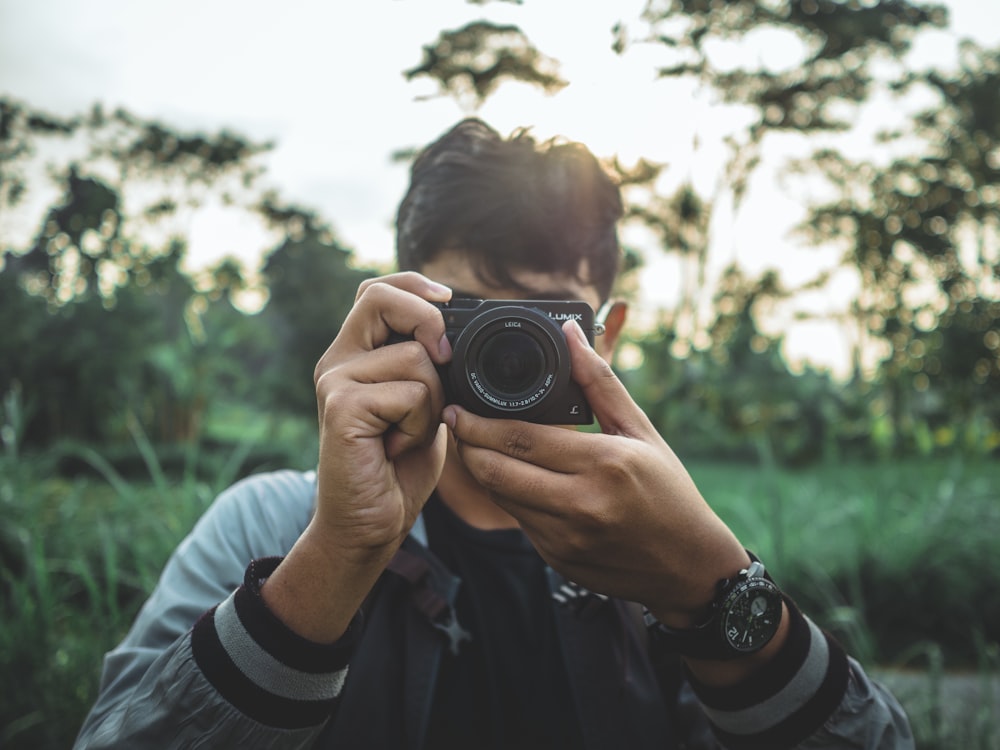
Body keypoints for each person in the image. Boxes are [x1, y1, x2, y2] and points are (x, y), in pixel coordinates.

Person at [75, 118, 913, 749]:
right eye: (476, 320)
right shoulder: (271, 527)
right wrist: (338, 552)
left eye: (545, 326)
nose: (508, 358)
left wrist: (713, 590)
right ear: (404, 309)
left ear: (606, 336)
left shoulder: (658, 548)